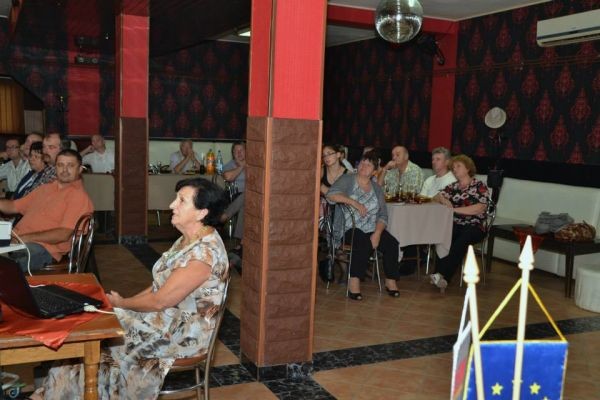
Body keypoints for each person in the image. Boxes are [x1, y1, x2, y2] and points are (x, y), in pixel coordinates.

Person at [31, 178, 229, 400]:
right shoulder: (187, 240)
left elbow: (160, 300)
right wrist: (125, 304)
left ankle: (61, 393)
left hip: (180, 335)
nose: (172, 205)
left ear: (201, 212)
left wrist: (122, 304)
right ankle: (58, 393)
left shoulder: (203, 255)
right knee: (95, 328)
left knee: (97, 333)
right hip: (164, 319)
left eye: (181, 201)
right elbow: (158, 286)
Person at [0, 149, 93, 272]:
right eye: (60, 165)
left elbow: (63, 234)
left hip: (43, 248)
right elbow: (13, 206)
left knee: (4, 263)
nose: (64, 170)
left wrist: (23, 238)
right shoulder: (45, 188)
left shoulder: (79, 197)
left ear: (80, 169)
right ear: (55, 168)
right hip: (18, 240)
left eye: (70, 165)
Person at [327, 152, 401, 300]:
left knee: (392, 243)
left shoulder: (377, 188)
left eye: (368, 164)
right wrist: (354, 202)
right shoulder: (348, 179)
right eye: (362, 162)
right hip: (348, 228)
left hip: (371, 229)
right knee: (362, 241)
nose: (363, 166)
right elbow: (331, 195)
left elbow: (383, 215)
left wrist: (377, 234)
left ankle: (390, 281)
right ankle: (354, 282)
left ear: (374, 171)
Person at [430, 154, 490, 291]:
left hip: (475, 225)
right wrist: (443, 199)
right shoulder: (453, 186)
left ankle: (443, 275)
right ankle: (439, 275)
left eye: (458, 166)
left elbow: (479, 208)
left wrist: (454, 210)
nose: (455, 169)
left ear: (468, 168)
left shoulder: (479, 185)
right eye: (453, 167)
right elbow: (435, 198)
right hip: (456, 224)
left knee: (462, 240)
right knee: (443, 235)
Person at [221, 141, 246, 245]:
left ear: (246, 152)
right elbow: (228, 177)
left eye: (241, 150)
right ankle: (241, 242)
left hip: (252, 196)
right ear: (233, 153)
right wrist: (241, 166)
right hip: (234, 194)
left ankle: (225, 215)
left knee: (247, 197)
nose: (239, 153)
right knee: (246, 199)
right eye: (236, 151)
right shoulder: (229, 165)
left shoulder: (254, 164)